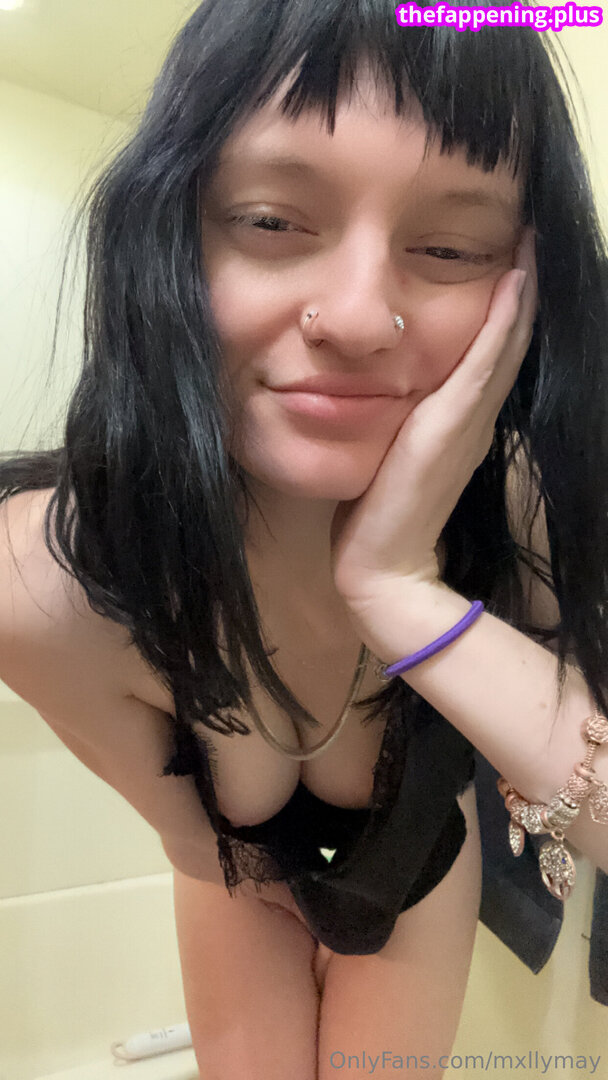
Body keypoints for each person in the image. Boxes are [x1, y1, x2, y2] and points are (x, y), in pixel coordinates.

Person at [1, 1, 608, 1077]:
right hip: (231, 870)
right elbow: (197, 840)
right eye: (271, 222)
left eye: (449, 246)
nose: (358, 317)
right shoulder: (42, 583)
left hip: (419, 857)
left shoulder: (526, 509)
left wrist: (401, 589)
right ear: (164, 235)